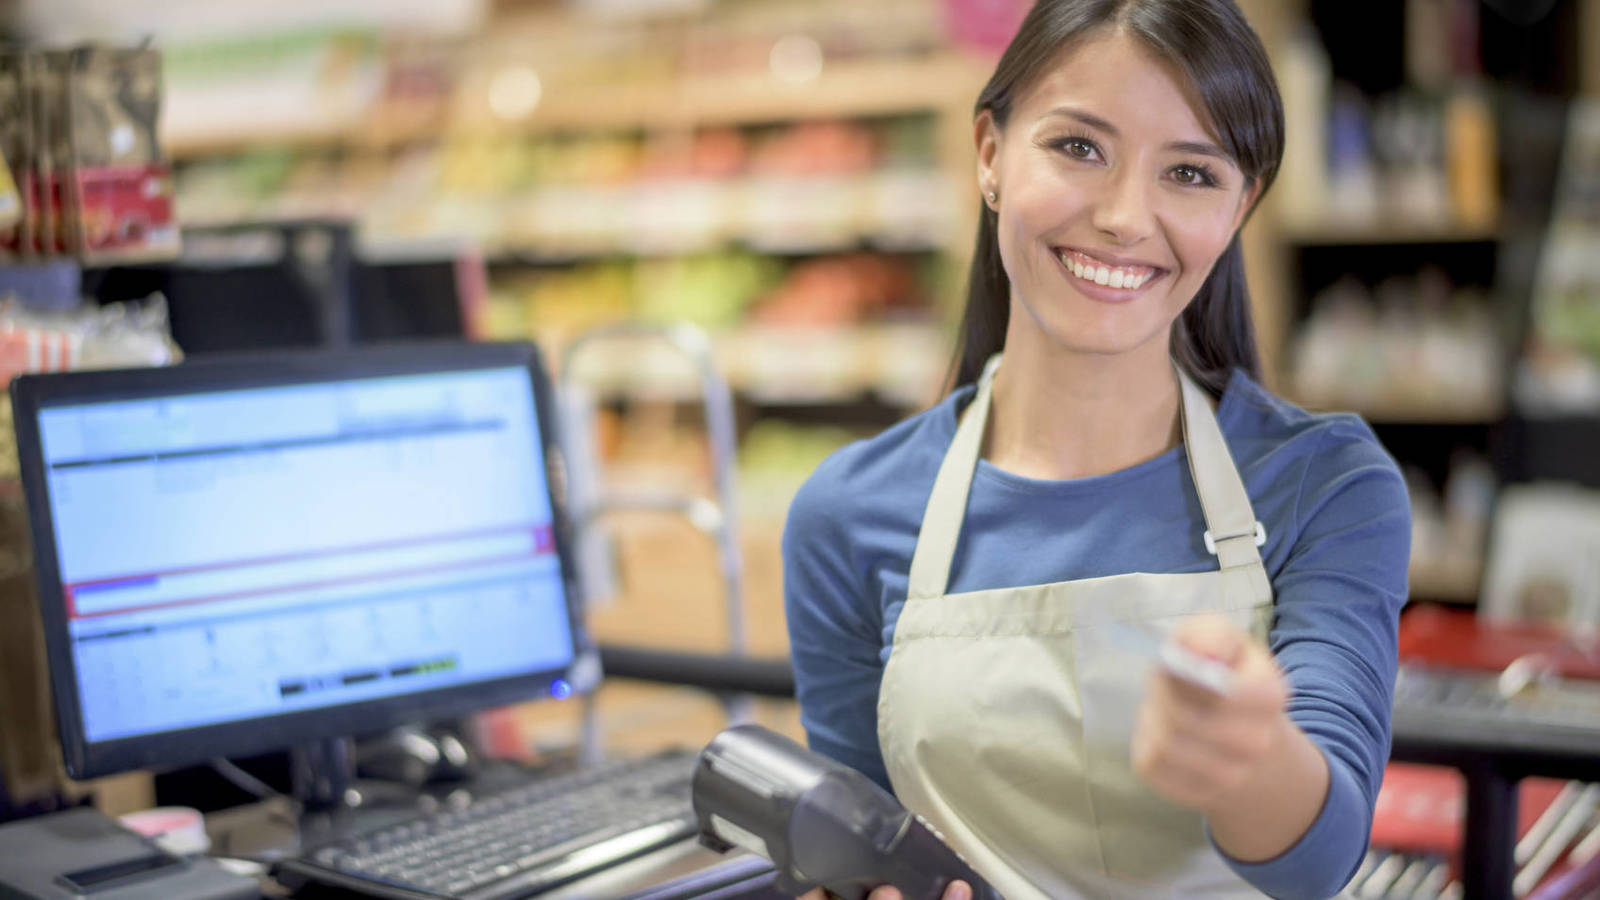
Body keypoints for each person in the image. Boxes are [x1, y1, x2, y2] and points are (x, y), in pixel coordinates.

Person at [781, 1, 1411, 899]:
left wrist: (1248, 753)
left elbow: (1321, 857)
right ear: (990, 154)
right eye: (1078, 147)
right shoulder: (845, 513)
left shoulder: (1326, 484)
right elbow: (859, 851)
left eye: (1190, 172)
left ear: (1241, 207)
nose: (1123, 217)